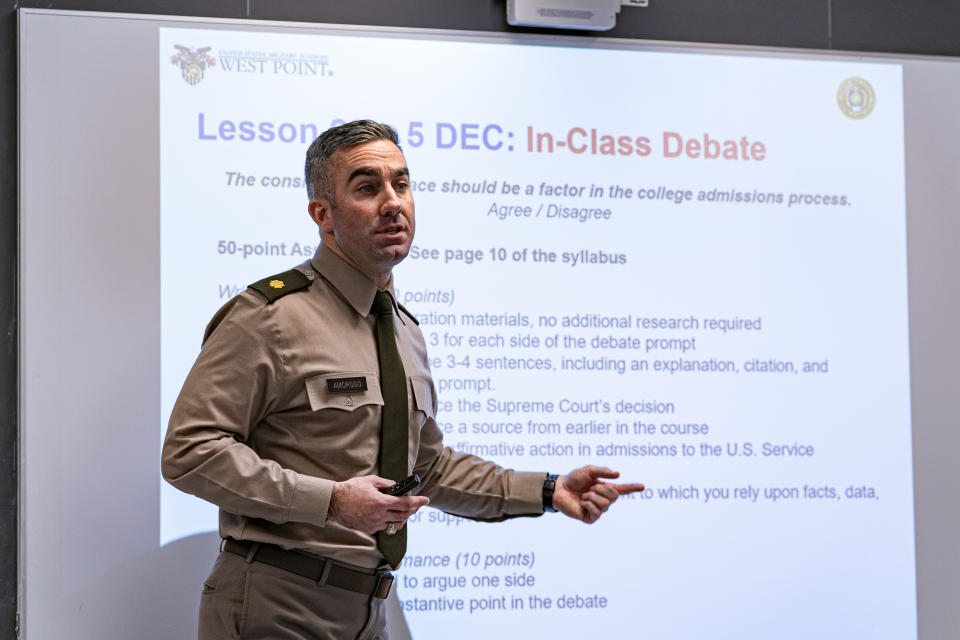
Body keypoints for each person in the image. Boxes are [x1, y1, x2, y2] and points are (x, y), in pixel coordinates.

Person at [161, 119, 644, 640]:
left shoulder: (404, 331)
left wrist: (548, 491)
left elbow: (428, 469)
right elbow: (190, 451)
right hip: (279, 604)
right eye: (367, 188)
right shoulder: (270, 315)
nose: (393, 202)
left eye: (402, 184)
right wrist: (330, 501)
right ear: (323, 215)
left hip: (370, 611)